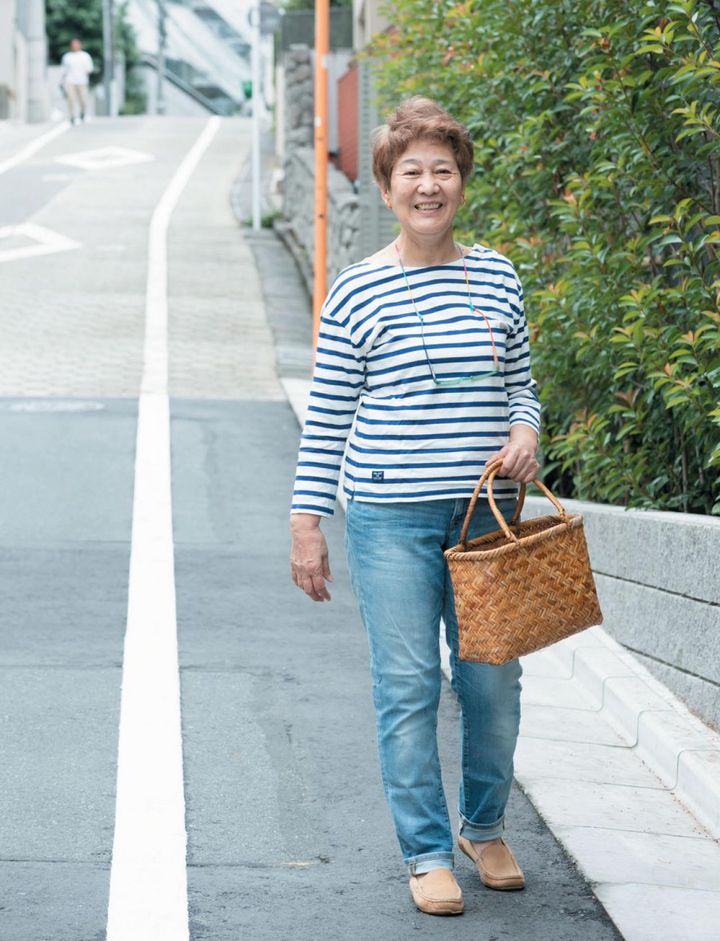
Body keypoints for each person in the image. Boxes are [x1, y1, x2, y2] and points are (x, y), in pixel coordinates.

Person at [289, 96, 541, 916]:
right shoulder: (357, 292)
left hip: (487, 518)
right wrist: (307, 522)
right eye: (412, 173)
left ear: (461, 182)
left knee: (493, 682)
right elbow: (327, 414)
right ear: (389, 187)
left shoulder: (497, 274)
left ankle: (483, 824)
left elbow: (521, 386)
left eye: (443, 170)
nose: (428, 186)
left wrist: (526, 429)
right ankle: (427, 849)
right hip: (389, 518)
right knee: (407, 687)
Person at [61, 38, 94, 125]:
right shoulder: (67, 57)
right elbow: (64, 71)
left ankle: (82, 113)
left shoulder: (85, 56)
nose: (75, 46)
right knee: (70, 100)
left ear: (80, 45)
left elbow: (89, 69)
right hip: (70, 81)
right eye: (73, 44)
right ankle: (72, 117)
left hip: (82, 82)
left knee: (83, 100)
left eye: (76, 44)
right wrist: (62, 83)